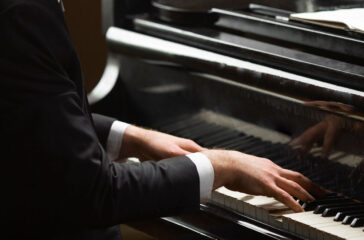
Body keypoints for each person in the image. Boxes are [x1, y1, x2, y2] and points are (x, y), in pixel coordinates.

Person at [0, 0, 323, 239]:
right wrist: (221, 165)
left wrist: (131, 137)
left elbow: (33, 118)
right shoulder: (23, 12)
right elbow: (95, 192)